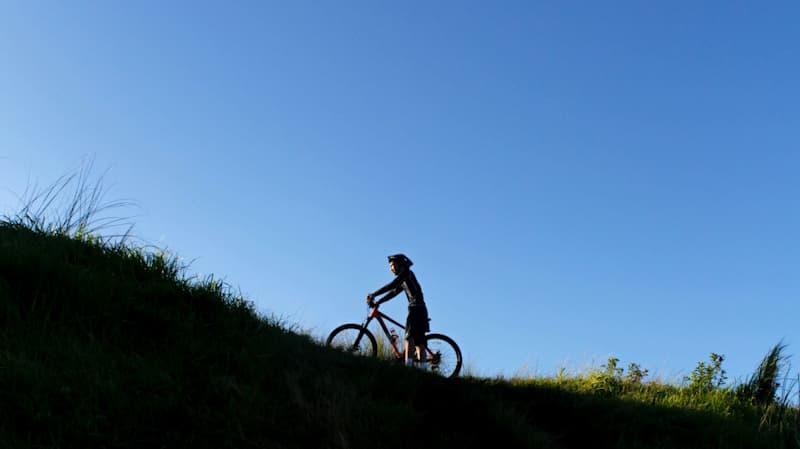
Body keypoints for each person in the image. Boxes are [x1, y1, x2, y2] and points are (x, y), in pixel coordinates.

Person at [366, 254, 430, 368]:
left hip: (415, 308)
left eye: (393, 265)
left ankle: (408, 366)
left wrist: (374, 294)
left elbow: (392, 285)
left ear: (401, 264)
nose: (391, 268)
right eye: (390, 266)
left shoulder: (406, 273)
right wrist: (379, 301)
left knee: (409, 338)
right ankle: (423, 369)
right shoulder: (406, 277)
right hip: (421, 309)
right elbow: (394, 292)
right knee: (419, 342)